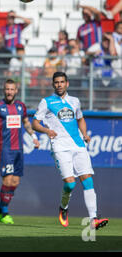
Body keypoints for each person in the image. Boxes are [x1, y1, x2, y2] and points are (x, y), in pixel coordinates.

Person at [32, 71, 109, 230]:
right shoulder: (46, 102)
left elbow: (80, 119)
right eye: (56, 82)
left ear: (67, 83)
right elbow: (35, 123)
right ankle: (63, 207)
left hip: (78, 145)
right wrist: (47, 131)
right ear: (53, 84)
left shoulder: (75, 101)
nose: (59, 84)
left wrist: (85, 134)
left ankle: (93, 218)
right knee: (70, 184)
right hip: (60, 147)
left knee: (87, 180)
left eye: (62, 82)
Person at [0, 79, 40, 224]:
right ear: (4, 90)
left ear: (16, 91)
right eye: (7, 89)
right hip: (5, 149)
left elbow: (26, 122)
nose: (9, 92)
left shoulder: (21, 106)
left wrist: (34, 137)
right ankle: (5, 213)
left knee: (15, 181)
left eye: (12, 89)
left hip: (19, 149)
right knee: (7, 180)